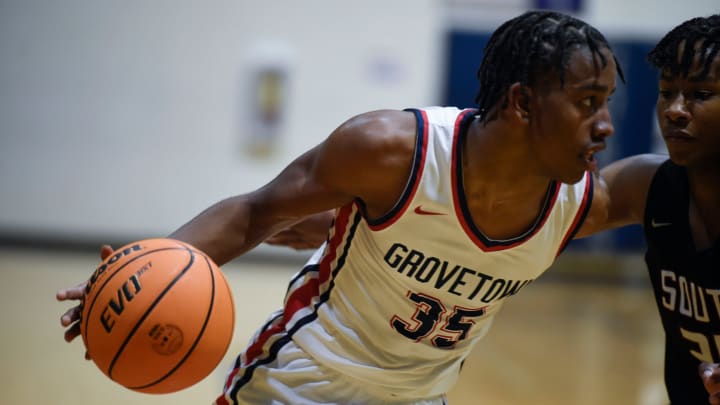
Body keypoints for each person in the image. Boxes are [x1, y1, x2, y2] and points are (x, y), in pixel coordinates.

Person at [57, 10, 623, 404]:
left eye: (606, 104)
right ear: (522, 103)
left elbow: (680, 183)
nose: (606, 127)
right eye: (587, 103)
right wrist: (133, 272)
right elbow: (256, 212)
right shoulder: (391, 150)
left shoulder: (580, 203)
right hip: (300, 385)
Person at [268, 13, 720, 404]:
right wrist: (361, 221)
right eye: (666, 92)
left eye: (700, 94)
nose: (675, 110)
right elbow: (515, 211)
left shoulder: (616, 190)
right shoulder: (649, 187)